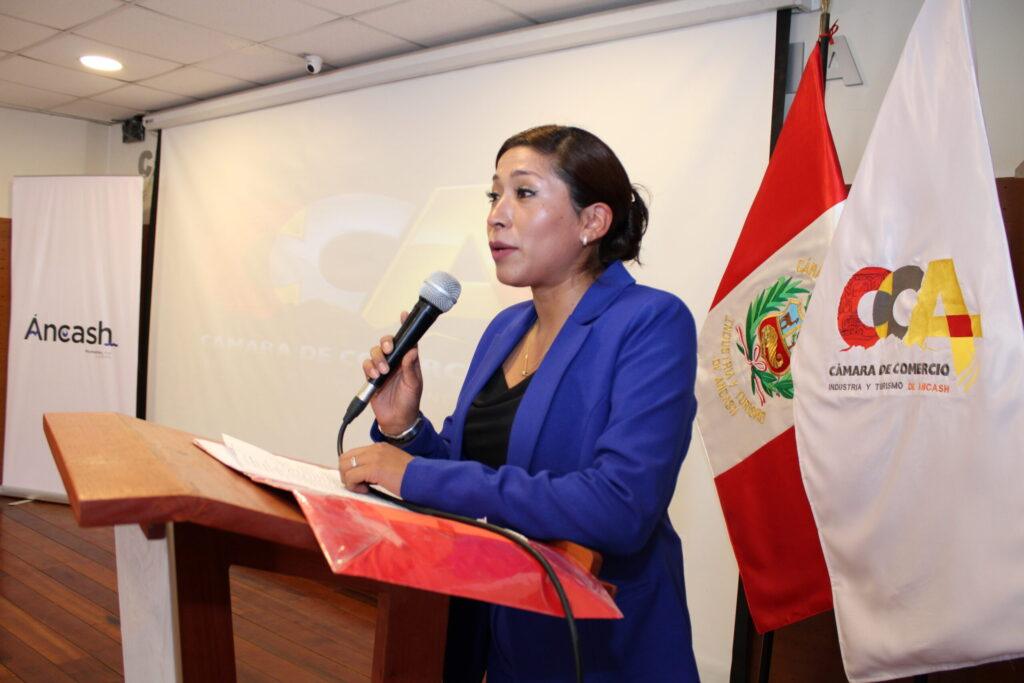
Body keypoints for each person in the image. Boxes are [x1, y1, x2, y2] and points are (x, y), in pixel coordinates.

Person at [340, 125, 699, 682]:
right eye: (494, 195)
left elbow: (621, 507)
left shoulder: (651, 322)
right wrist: (404, 427)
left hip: (596, 647)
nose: (496, 216)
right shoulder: (505, 328)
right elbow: (469, 471)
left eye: (524, 193)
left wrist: (413, 475)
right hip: (495, 629)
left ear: (592, 222)